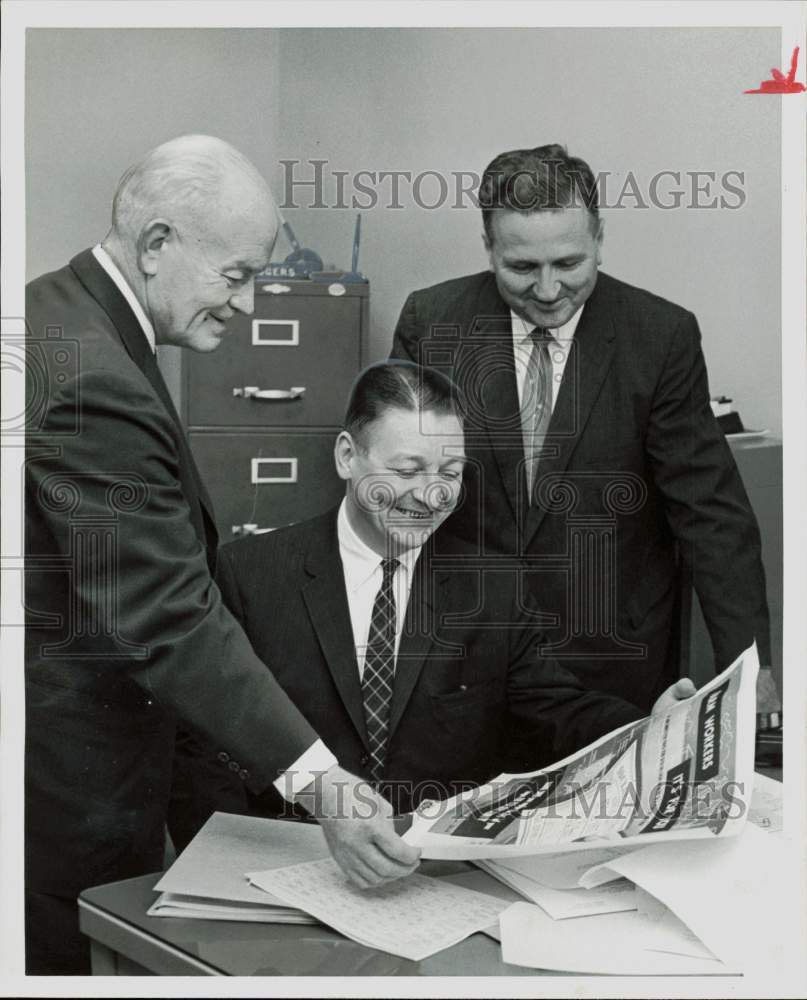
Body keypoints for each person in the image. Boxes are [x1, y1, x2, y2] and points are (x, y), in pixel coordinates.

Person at [23, 135, 418, 975]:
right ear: (158, 244)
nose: (244, 306)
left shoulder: (60, 311)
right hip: (64, 780)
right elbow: (167, 615)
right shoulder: (96, 375)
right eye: (235, 276)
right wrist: (327, 786)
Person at [197, 360, 695, 822]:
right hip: (285, 862)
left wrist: (649, 726)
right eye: (408, 470)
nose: (431, 494)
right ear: (348, 456)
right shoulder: (251, 574)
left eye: (450, 473)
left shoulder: (492, 584)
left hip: (433, 870)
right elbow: (207, 736)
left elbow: (554, 710)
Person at [390, 143, 774, 713]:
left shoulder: (660, 336)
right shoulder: (432, 321)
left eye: (569, 264)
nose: (548, 291)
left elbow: (711, 515)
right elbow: (395, 496)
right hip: (462, 652)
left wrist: (751, 668)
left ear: (599, 237)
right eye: (521, 268)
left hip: (611, 660)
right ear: (489, 246)